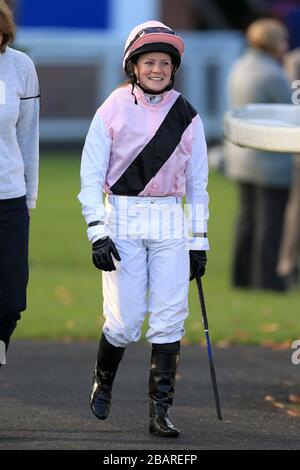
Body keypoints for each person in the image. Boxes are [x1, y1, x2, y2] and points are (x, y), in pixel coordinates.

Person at [78, 20, 209, 437]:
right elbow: (89, 176)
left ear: (174, 68)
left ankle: (160, 412)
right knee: (125, 322)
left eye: (165, 63)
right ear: (133, 66)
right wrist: (97, 230)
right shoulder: (111, 109)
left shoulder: (187, 114)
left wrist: (198, 239)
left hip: (171, 219)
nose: (158, 69)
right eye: (149, 61)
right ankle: (105, 379)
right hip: (123, 219)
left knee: (171, 318)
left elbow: (198, 184)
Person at [224, 18, 293, 291]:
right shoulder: (272, 73)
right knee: (270, 222)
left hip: (242, 156)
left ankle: (241, 277)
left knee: (247, 219)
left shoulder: (240, 65)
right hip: (269, 159)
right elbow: (290, 111)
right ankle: (268, 282)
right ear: (273, 42)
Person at [0, 0, 40, 365]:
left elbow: (28, 137)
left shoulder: (20, 66)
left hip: (10, 199)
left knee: (10, 303)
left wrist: (30, 200)